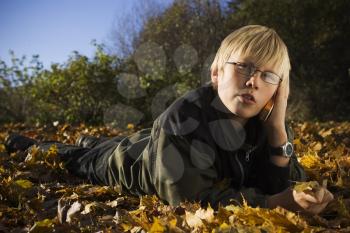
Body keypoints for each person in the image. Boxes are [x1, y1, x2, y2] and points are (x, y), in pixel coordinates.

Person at [5, 25, 333, 214]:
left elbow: (283, 180)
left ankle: (92, 141)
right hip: (132, 163)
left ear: (278, 90)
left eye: (268, 76)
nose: (254, 81)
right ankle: (29, 143)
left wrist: (277, 130)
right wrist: (274, 203)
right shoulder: (183, 116)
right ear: (217, 74)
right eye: (244, 67)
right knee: (80, 159)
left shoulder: (269, 119)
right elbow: (190, 200)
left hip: (158, 146)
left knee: (111, 143)